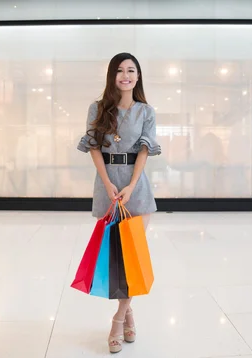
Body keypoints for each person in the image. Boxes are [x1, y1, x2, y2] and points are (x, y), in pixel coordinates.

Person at [77, 52, 161, 353]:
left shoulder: (146, 112)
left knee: (133, 256)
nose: (125, 75)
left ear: (138, 77)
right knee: (116, 259)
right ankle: (129, 314)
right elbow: (93, 147)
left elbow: (144, 152)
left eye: (131, 70)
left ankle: (117, 319)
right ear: (112, 76)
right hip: (107, 185)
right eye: (120, 71)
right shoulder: (98, 109)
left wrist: (130, 185)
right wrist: (110, 183)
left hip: (135, 189)